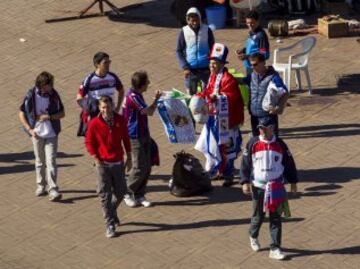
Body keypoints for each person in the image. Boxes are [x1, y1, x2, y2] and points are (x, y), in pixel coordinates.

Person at [239, 117, 298, 260]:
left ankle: (275, 248)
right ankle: (253, 235)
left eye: (265, 128)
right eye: (260, 128)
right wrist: (244, 181)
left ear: (272, 128)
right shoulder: (253, 143)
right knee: (258, 216)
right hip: (259, 187)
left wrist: (293, 182)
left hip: (276, 186)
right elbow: (245, 163)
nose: (262, 131)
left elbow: (289, 163)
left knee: (276, 218)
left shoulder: (280, 144)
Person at [195, 43, 244, 187]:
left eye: (214, 63)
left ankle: (228, 175)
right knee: (215, 145)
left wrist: (219, 97)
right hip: (214, 118)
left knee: (227, 147)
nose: (212, 66)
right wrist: (198, 96)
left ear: (222, 64)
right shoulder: (212, 77)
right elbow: (208, 91)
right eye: (210, 63)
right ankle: (218, 171)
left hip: (226, 120)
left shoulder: (227, 78)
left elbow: (232, 97)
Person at [85, 95, 132, 238]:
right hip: (102, 164)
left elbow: (126, 138)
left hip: (118, 163)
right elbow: (89, 142)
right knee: (105, 195)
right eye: (103, 107)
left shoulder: (120, 120)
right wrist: (95, 157)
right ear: (100, 108)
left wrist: (129, 157)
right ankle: (110, 224)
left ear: (112, 106)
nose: (106, 110)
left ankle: (111, 212)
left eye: (108, 106)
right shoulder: (94, 123)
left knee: (121, 192)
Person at [19, 71, 65, 201]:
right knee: (39, 161)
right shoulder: (31, 96)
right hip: (37, 133)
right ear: (42, 85)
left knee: (51, 161)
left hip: (51, 133)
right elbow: (21, 114)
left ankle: (53, 189)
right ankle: (41, 186)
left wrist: (49, 117)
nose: (52, 87)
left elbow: (62, 113)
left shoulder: (54, 95)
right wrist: (30, 129)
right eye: (49, 85)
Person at [123, 71, 162, 208]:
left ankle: (139, 194)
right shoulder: (133, 97)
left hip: (144, 134)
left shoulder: (137, 94)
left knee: (148, 165)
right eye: (147, 82)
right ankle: (126, 192)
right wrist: (156, 100)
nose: (149, 84)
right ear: (142, 84)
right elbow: (149, 112)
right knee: (139, 167)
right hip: (135, 136)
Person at [76, 52, 124, 136]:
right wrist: (88, 109)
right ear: (97, 64)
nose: (108, 64)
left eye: (109, 62)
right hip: (95, 116)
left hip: (109, 113)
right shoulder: (90, 79)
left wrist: (117, 108)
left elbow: (121, 90)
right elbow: (79, 98)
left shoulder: (112, 77)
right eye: (105, 62)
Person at [243, 53, 289, 137]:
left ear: (263, 62)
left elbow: (285, 93)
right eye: (251, 65)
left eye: (255, 64)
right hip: (254, 116)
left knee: (270, 144)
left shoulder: (273, 77)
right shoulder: (252, 75)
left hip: (267, 118)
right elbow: (242, 81)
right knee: (257, 143)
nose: (253, 67)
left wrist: (278, 108)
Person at [176, 7, 215, 95]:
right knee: (191, 95)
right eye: (192, 21)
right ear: (187, 20)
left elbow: (213, 48)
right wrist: (185, 67)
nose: (194, 23)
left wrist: (212, 64)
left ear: (200, 19)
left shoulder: (207, 30)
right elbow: (178, 51)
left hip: (206, 69)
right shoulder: (184, 31)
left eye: (196, 20)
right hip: (190, 70)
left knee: (208, 93)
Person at [236, 10, 270, 75]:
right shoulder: (251, 32)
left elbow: (264, 54)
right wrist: (243, 50)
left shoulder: (261, 35)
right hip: (249, 65)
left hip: (256, 68)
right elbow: (252, 47)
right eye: (247, 23)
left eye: (252, 23)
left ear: (258, 21)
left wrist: (247, 57)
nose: (250, 25)